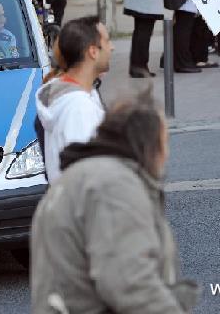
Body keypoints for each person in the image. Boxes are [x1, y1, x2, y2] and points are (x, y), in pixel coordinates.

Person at [31, 90, 200, 314]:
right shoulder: (113, 186)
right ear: (148, 145)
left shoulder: (82, 178)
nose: (167, 154)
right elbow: (130, 283)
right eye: (165, 142)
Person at [35, 16, 111, 182]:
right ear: (93, 51)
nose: (111, 48)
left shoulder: (82, 94)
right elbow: (81, 176)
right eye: (106, 41)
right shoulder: (78, 107)